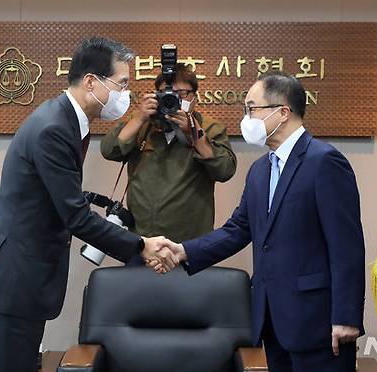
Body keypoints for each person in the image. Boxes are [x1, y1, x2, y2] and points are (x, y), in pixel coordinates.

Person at [0, 37, 177, 372]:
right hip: (15, 280)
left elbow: (54, 200)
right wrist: (141, 246)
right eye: (122, 84)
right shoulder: (54, 128)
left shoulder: (65, 120)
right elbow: (76, 219)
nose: (126, 95)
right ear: (91, 81)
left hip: (23, 277)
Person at [152, 71, 365, 372]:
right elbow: (238, 229)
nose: (246, 117)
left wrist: (346, 316)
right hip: (272, 319)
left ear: (282, 112)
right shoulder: (259, 170)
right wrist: (182, 251)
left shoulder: (324, 162)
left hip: (318, 322)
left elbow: (347, 246)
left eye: (252, 108)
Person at [100, 63, 236, 264]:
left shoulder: (209, 128)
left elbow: (225, 170)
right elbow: (109, 150)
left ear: (194, 97)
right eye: (167, 94)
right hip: (143, 244)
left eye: (183, 94)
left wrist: (193, 134)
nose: (176, 100)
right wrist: (140, 117)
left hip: (190, 246)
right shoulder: (144, 126)